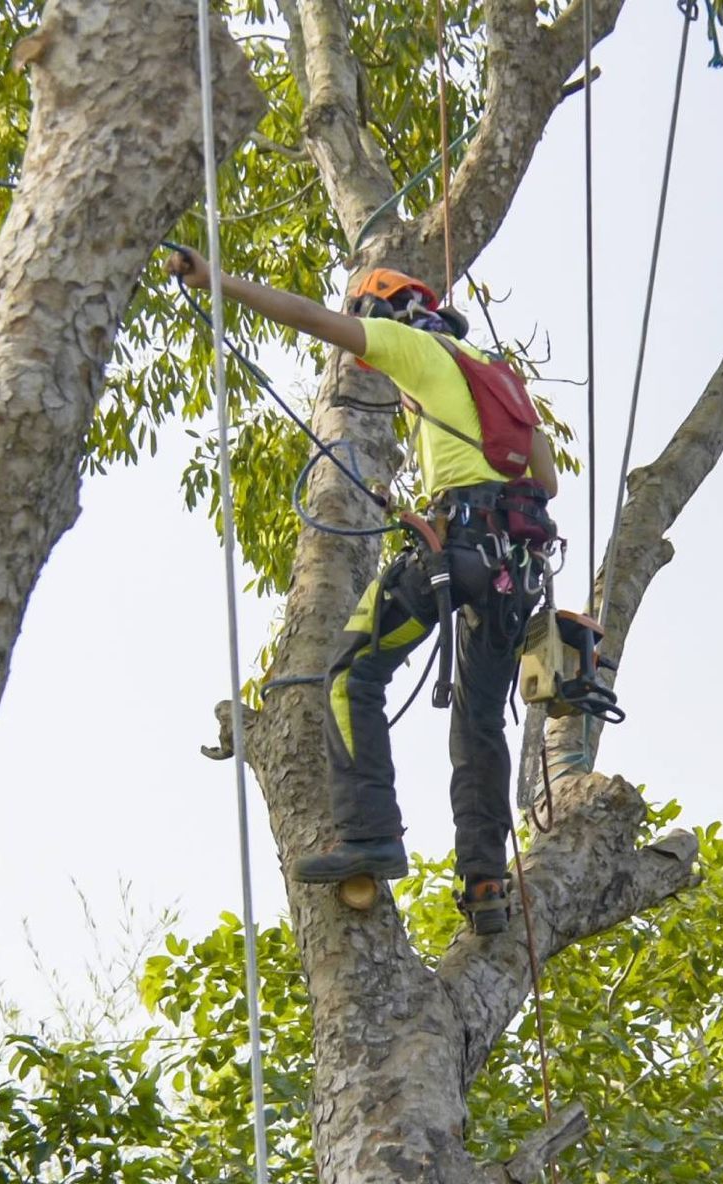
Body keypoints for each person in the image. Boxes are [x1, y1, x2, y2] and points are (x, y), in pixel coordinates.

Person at [165, 248, 560, 936]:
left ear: (390, 315)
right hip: (511, 576)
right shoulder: (502, 383)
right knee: (480, 722)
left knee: (352, 672)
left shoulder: (417, 347)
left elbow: (312, 319)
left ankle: (370, 833)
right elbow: (545, 482)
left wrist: (214, 279)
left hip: (462, 557)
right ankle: (486, 879)